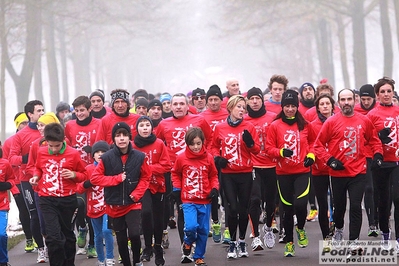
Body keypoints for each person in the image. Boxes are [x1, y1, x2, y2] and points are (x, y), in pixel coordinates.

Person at [314, 89, 383, 251]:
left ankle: (354, 240)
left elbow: (374, 140)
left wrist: (378, 155)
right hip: (337, 173)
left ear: (354, 101)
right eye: (343, 100)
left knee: (355, 206)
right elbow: (318, 146)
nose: (346, 102)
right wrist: (330, 161)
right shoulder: (331, 122)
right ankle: (338, 229)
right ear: (338, 103)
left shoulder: (364, 121)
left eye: (349, 99)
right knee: (339, 207)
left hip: (358, 172)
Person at [155, 93, 213, 246]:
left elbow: (210, 138)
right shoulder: (163, 124)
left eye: (182, 104)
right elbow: (157, 144)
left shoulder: (199, 120)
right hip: (174, 171)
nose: (179, 107)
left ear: (188, 106)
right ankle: (185, 247)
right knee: (180, 208)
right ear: (170, 107)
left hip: (196, 171)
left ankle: (198, 241)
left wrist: (206, 158)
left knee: (197, 208)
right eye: (175, 104)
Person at [91, 122, 151, 266]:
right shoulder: (106, 158)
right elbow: (95, 178)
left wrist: (137, 193)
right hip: (114, 204)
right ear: (114, 139)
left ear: (130, 137)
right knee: (121, 238)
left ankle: (137, 260)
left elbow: (146, 177)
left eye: (125, 135)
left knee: (135, 234)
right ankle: (126, 263)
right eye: (118, 135)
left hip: (133, 202)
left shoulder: (139, 156)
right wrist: (115, 179)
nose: (122, 138)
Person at [29, 123, 87, 266]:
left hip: (67, 199)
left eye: (57, 145)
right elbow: (38, 168)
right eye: (51, 146)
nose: (54, 149)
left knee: (67, 235)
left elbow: (84, 174)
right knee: (54, 237)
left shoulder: (73, 153)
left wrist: (73, 174)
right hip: (47, 199)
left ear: (63, 140)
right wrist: (36, 177)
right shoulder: (41, 152)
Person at [265, 90, 313, 257]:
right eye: (287, 106)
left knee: (300, 205)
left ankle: (300, 228)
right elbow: (268, 148)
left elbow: (314, 143)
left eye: (293, 106)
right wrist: (280, 152)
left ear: (297, 107)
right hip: (283, 172)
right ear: (282, 106)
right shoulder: (274, 125)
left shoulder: (305, 125)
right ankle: (290, 242)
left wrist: (311, 156)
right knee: (287, 209)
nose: (290, 109)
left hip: (302, 171)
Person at [211, 95, 260, 259]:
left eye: (243, 108)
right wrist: (218, 159)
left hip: (245, 173)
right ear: (231, 108)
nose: (242, 110)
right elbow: (213, 147)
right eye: (239, 107)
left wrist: (251, 143)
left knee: (243, 209)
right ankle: (232, 242)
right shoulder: (220, 127)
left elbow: (257, 151)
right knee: (232, 209)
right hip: (228, 175)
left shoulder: (249, 126)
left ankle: (241, 241)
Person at [172, 127, 219, 266]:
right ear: (187, 144)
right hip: (188, 200)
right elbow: (175, 173)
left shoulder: (209, 157)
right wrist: (177, 188)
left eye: (198, 143)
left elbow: (213, 175)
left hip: (205, 200)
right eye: (192, 144)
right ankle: (187, 242)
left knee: (204, 230)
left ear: (203, 142)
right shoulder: (181, 157)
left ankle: (199, 256)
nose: (196, 147)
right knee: (191, 226)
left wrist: (215, 188)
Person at [8, 100, 45, 260]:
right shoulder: (20, 136)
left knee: (50, 212)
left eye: (43, 110)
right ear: (30, 114)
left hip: (48, 178)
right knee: (35, 214)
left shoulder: (47, 130)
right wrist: (28, 157)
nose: (42, 113)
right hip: (27, 180)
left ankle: (55, 243)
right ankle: (41, 249)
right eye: (39, 111)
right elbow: (11, 159)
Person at [65, 95, 102, 257]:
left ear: (90, 110)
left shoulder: (98, 124)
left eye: (82, 110)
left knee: (92, 210)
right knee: (80, 204)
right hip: (77, 172)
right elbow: (65, 144)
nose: (79, 113)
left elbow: (103, 146)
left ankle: (92, 244)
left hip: (94, 171)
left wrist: (92, 148)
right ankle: (82, 227)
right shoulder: (69, 125)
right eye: (77, 111)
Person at [132, 116, 171, 266]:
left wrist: (148, 169)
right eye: (141, 125)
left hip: (158, 185)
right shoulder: (133, 146)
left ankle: (158, 247)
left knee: (159, 217)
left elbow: (166, 165)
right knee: (146, 212)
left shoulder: (159, 143)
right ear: (137, 129)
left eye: (147, 125)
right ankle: (147, 246)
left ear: (151, 128)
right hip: (142, 186)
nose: (144, 128)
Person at [367, 77, 399, 250]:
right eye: (382, 92)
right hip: (380, 162)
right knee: (384, 200)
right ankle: (385, 233)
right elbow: (366, 139)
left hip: (396, 161)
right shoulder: (372, 114)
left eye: (389, 91)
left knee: (398, 198)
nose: (386, 94)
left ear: (393, 92)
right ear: (377, 95)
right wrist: (379, 137)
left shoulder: (398, 110)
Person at [244, 87, 278, 251]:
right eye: (252, 99)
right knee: (255, 200)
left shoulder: (273, 118)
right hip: (253, 165)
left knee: (270, 201)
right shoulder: (243, 120)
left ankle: (269, 229)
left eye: (257, 98)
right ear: (247, 102)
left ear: (262, 100)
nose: (255, 101)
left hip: (271, 164)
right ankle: (256, 236)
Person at [76, 141, 115, 266]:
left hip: (107, 206)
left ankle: (110, 257)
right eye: (97, 152)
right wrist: (87, 183)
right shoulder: (88, 169)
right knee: (98, 236)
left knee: (107, 231)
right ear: (93, 155)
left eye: (103, 152)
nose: (100, 154)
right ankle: (101, 259)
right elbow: (79, 188)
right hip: (93, 207)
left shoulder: (111, 167)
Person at [200, 85, 229, 243]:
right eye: (210, 99)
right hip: (208, 159)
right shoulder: (202, 117)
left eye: (215, 99)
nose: (213, 102)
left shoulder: (227, 114)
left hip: (226, 159)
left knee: (225, 191)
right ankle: (215, 221)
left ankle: (225, 215)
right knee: (212, 191)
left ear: (221, 100)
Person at [1, 112, 33, 253]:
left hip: (31, 179)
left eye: (27, 122)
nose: (25, 125)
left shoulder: (32, 137)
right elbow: (7, 162)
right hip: (16, 181)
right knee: (24, 210)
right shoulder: (10, 142)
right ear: (17, 125)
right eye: (22, 123)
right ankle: (29, 238)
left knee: (35, 211)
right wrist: (22, 159)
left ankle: (38, 237)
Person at [308, 95, 335, 244]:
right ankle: (326, 236)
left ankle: (337, 229)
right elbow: (311, 145)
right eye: (322, 104)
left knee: (337, 203)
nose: (325, 106)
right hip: (319, 170)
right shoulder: (312, 125)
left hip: (337, 170)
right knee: (323, 204)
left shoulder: (338, 121)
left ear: (332, 106)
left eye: (327, 103)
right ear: (317, 107)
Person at [354, 84, 379, 237]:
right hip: (362, 155)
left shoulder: (378, 111)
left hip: (379, 154)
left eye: (368, 99)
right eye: (363, 99)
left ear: (373, 98)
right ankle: (372, 223)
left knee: (380, 191)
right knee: (368, 189)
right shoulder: (356, 111)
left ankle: (380, 219)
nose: (366, 102)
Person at [0, 144, 15, 266]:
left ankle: (3, 261)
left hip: (1, 205)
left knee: (1, 234)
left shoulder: (5, 163)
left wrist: (6, 185)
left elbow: (12, 179)